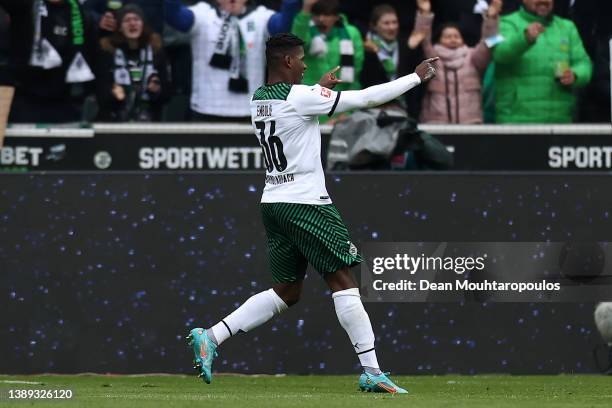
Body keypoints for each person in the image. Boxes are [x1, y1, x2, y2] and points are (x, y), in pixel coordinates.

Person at [185, 32, 438, 394]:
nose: (305, 64)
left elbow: (294, 113)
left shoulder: (259, 99)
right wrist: (415, 77)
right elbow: (365, 99)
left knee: (287, 291)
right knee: (344, 282)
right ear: (287, 61)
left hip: (273, 202)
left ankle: (211, 336)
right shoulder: (300, 97)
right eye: (301, 59)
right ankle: (372, 371)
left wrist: (317, 89)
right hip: (307, 203)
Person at [164, 0, 301, 121]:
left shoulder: (261, 17)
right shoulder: (203, 15)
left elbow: (284, 25)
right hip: (206, 110)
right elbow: (175, 16)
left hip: (249, 113)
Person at [492, 0, 592, 123]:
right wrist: (524, 38)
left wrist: (575, 74)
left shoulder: (567, 27)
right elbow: (499, 53)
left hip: (559, 120)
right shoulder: (505, 23)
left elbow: (584, 63)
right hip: (516, 120)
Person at [9, 0, 98, 123]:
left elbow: (91, 52)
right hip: (26, 96)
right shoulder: (27, 5)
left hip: (64, 101)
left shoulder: (80, 13)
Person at [415, 0, 502, 124]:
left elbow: (488, 44)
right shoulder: (433, 59)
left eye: (456, 36)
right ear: (439, 40)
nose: (452, 40)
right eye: (447, 37)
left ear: (462, 39)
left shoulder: (472, 57)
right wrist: (424, 14)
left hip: (470, 123)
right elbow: (423, 40)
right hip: (437, 124)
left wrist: (491, 18)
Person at [291, 0, 364, 122]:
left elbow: (356, 73)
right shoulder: (305, 30)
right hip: (309, 105)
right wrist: (305, 9)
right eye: (317, 15)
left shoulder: (351, 33)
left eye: (326, 15)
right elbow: (295, 45)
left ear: (336, 16)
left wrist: (348, 112)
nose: (321, 19)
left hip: (340, 107)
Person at [96, 4, 170, 121]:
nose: (132, 23)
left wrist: (156, 91)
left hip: (149, 119)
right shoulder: (108, 52)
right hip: (115, 119)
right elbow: (100, 93)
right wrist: (114, 94)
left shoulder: (156, 51)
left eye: (136, 19)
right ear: (120, 27)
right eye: (127, 20)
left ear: (143, 25)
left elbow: (166, 94)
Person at [360, 4, 425, 119]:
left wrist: (410, 50)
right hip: (374, 113)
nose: (392, 27)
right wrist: (371, 55)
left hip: (404, 112)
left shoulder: (405, 46)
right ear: (374, 26)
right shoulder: (366, 48)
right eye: (386, 23)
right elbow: (367, 80)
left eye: (394, 22)